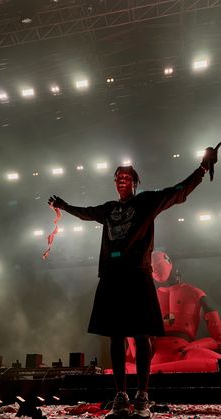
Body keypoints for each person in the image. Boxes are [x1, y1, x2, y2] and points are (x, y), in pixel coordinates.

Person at [48, 147, 219, 419]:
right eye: (117, 176)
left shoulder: (147, 202)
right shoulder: (109, 209)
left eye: (126, 176)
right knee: (116, 337)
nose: (121, 179)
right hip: (112, 278)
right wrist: (63, 206)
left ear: (135, 181)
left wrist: (202, 168)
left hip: (137, 275)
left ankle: (142, 396)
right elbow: (86, 212)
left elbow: (178, 191)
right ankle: (120, 396)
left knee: (141, 336)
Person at [126, 251, 221, 373]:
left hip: (186, 352)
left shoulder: (195, 293)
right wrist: (139, 352)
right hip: (155, 353)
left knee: (216, 363)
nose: (155, 271)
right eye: (152, 268)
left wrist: (194, 346)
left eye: (158, 266)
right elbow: (132, 331)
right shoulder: (148, 297)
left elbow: (218, 339)